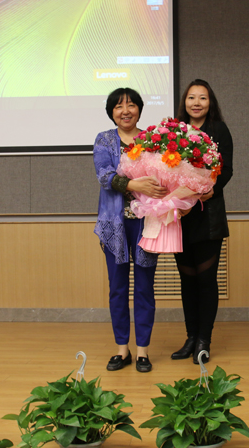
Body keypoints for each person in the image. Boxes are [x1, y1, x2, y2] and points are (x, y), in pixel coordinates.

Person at [93, 87, 168, 373]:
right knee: (118, 289)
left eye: (131, 105)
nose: (125, 111)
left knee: (145, 288)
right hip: (114, 225)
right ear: (111, 112)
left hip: (147, 224)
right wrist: (135, 184)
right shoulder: (104, 139)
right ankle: (122, 349)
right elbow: (104, 176)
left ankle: (143, 352)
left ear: (139, 109)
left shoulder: (152, 139)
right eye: (119, 106)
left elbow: (164, 176)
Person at [171, 79, 234, 365]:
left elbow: (227, 170)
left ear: (210, 103)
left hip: (207, 213)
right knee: (187, 280)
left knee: (206, 280)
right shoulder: (174, 132)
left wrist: (210, 190)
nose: (196, 103)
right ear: (184, 102)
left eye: (203, 98)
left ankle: (204, 340)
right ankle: (190, 337)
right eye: (191, 98)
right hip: (182, 215)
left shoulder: (219, 129)